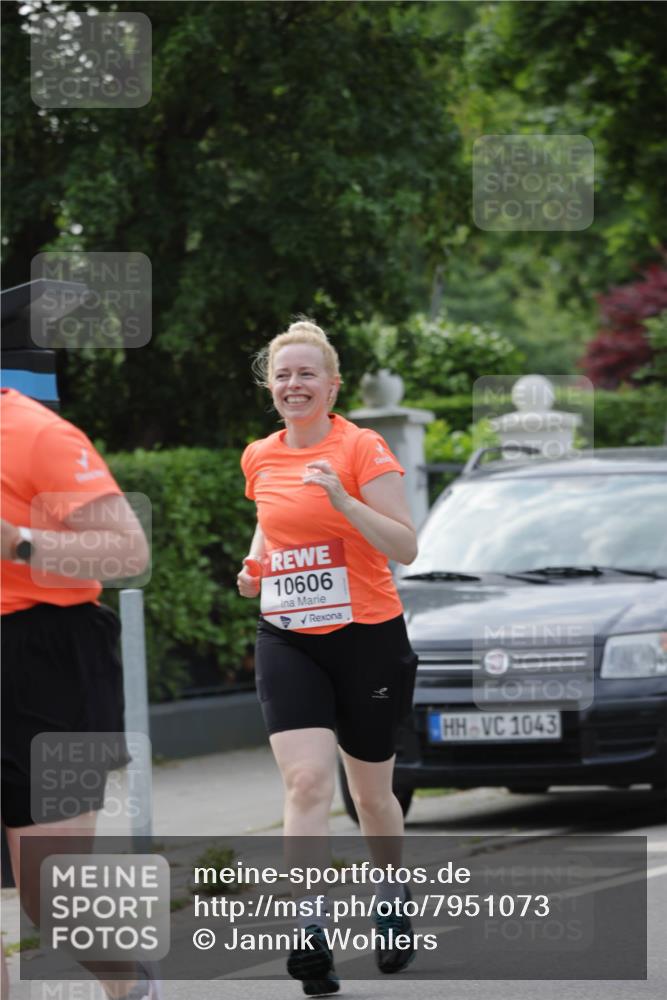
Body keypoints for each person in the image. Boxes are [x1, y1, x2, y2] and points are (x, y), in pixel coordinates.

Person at [236, 320, 419, 996]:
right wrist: (255, 566)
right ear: (270, 387)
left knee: (371, 798)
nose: (293, 385)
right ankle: (309, 933)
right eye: (282, 375)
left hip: (367, 637)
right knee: (306, 784)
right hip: (288, 636)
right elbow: (267, 517)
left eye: (306, 374)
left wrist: (341, 499)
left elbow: (405, 546)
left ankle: (393, 897)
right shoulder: (259, 455)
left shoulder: (361, 448)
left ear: (331, 384)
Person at [0, 387, 158, 1000]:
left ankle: (130, 985)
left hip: (47, 662)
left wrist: (20, 542)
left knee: (52, 897)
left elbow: (127, 551)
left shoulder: (37, 434)